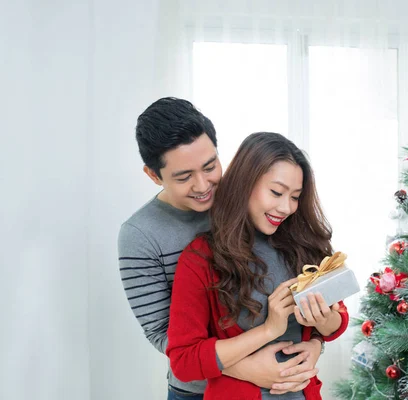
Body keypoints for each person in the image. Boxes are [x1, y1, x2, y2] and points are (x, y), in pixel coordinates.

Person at [118, 99, 325, 400]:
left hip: (277, 385)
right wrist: (244, 367)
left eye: (210, 166)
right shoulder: (140, 235)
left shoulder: (253, 200)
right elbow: (164, 335)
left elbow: (298, 281)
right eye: (184, 176)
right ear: (153, 175)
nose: (204, 186)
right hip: (195, 391)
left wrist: (316, 344)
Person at [166, 132, 349, 399]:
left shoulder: (305, 246)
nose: (286, 207)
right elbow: (184, 361)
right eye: (276, 192)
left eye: (295, 196)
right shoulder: (201, 258)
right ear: (245, 183)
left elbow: (338, 320)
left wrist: (318, 337)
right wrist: (268, 330)